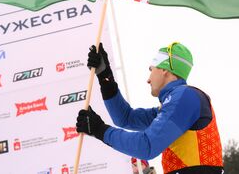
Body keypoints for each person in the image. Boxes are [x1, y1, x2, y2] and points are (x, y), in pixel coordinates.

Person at [76, 42, 224, 174]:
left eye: (151, 69)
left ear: (165, 69)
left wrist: (99, 129)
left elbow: (146, 146)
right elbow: (125, 118)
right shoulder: (173, 106)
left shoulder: (186, 96)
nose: (148, 79)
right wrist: (105, 76)